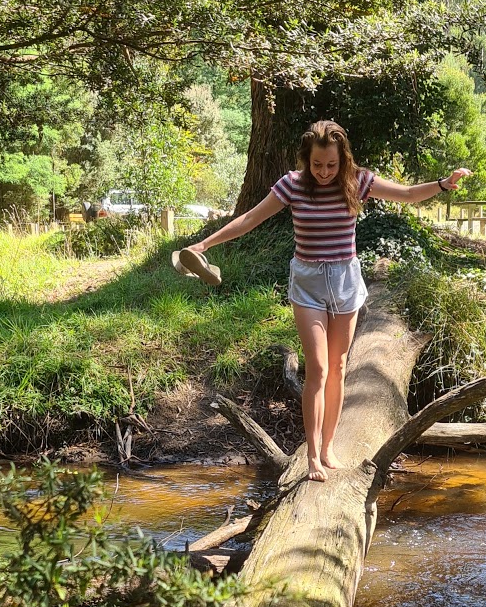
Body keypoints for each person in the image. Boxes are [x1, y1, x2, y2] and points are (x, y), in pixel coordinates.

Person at [183, 119, 471, 482]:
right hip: (308, 283)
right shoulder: (292, 185)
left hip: (346, 281)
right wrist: (204, 245)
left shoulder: (358, 181)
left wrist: (444, 184)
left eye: (331, 165)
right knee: (317, 368)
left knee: (337, 368)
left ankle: (329, 446)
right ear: (307, 159)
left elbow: (409, 194)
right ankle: (313, 456)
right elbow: (250, 219)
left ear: (342, 158)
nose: (323, 171)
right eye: (317, 164)